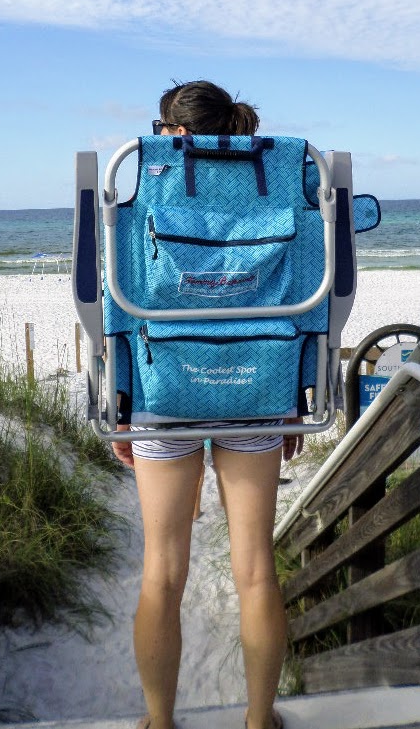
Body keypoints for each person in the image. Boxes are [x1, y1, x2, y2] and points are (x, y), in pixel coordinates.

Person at [112, 80, 304, 729]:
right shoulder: (274, 178)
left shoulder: (144, 177)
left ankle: (159, 722)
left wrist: (120, 399)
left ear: (171, 131)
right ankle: (258, 720)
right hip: (258, 382)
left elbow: (116, 292)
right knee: (255, 569)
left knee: (162, 571)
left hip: (165, 383)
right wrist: (295, 393)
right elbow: (308, 289)